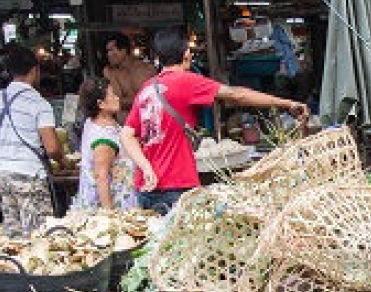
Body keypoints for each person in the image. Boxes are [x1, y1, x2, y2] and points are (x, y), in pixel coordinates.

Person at [120, 29, 309, 214]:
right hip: (175, 185)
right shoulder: (186, 81)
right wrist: (286, 103)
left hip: (145, 186)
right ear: (186, 54)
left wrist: (146, 167)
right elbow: (237, 95)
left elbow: (126, 134)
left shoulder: (147, 88)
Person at [0, 44, 69, 237]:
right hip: (29, 176)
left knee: (14, 235)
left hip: (3, 174)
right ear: (35, 70)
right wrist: (63, 162)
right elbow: (52, 148)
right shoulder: (38, 103)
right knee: (39, 235)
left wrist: (6, 152)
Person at [71, 77, 137, 211]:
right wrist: (109, 214)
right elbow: (101, 177)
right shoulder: (103, 138)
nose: (117, 98)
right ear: (101, 104)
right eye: (112, 95)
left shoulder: (94, 122)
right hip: (112, 203)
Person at [102, 32, 156, 117]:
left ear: (123, 51)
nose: (108, 54)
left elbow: (155, 98)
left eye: (111, 50)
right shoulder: (109, 71)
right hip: (125, 124)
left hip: (148, 119)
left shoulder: (148, 69)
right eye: (107, 51)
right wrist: (141, 99)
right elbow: (116, 102)